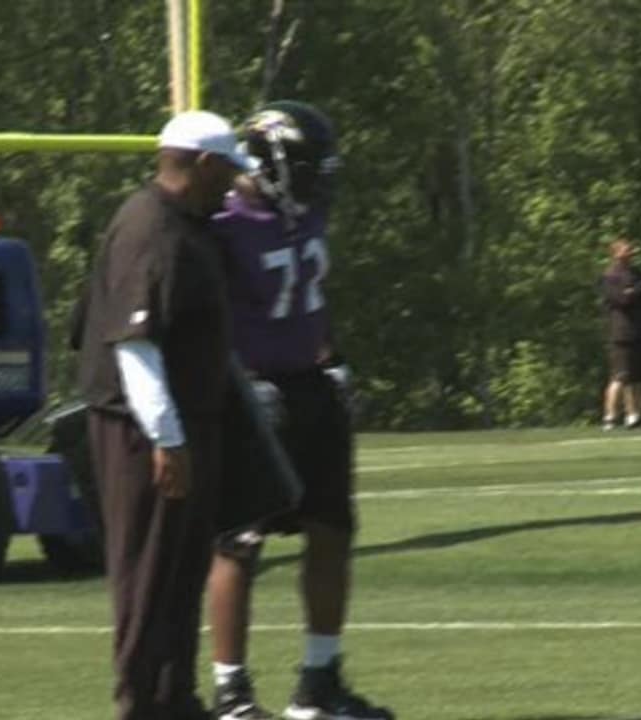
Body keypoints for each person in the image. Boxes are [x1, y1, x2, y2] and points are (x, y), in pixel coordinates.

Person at [205, 100, 394, 720]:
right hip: (251, 392)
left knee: (333, 528)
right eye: (309, 166)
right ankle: (232, 693)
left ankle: (318, 683)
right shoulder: (221, 222)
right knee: (241, 541)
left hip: (310, 384)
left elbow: (310, 300)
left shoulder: (303, 212)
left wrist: (332, 357)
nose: (319, 180)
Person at [77, 110, 256, 720]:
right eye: (228, 169)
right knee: (148, 577)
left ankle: (173, 699)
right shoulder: (150, 227)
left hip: (180, 424)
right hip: (143, 431)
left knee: (179, 573)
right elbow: (135, 344)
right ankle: (143, 706)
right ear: (203, 163)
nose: (233, 182)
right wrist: (167, 437)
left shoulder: (185, 223)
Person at [598, 238, 641, 430]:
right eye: (626, 251)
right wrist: (632, 293)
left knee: (637, 377)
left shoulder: (639, 274)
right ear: (616, 254)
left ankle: (634, 414)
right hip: (622, 332)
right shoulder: (610, 276)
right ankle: (610, 416)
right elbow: (620, 299)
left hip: (640, 330)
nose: (630, 254)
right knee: (620, 375)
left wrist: (636, 291)